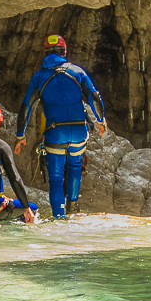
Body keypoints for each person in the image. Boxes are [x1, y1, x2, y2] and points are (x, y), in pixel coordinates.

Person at [15, 34, 106, 218]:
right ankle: (73, 205)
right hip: (79, 132)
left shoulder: (39, 77)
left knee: (56, 180)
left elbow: (26, 107)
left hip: (55, 133)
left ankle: (59, 217)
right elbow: (94, 97)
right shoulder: (77, 71)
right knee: (75, 164)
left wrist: (20, 135)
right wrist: (100, 120)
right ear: (64, 52)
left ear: (45, 53)